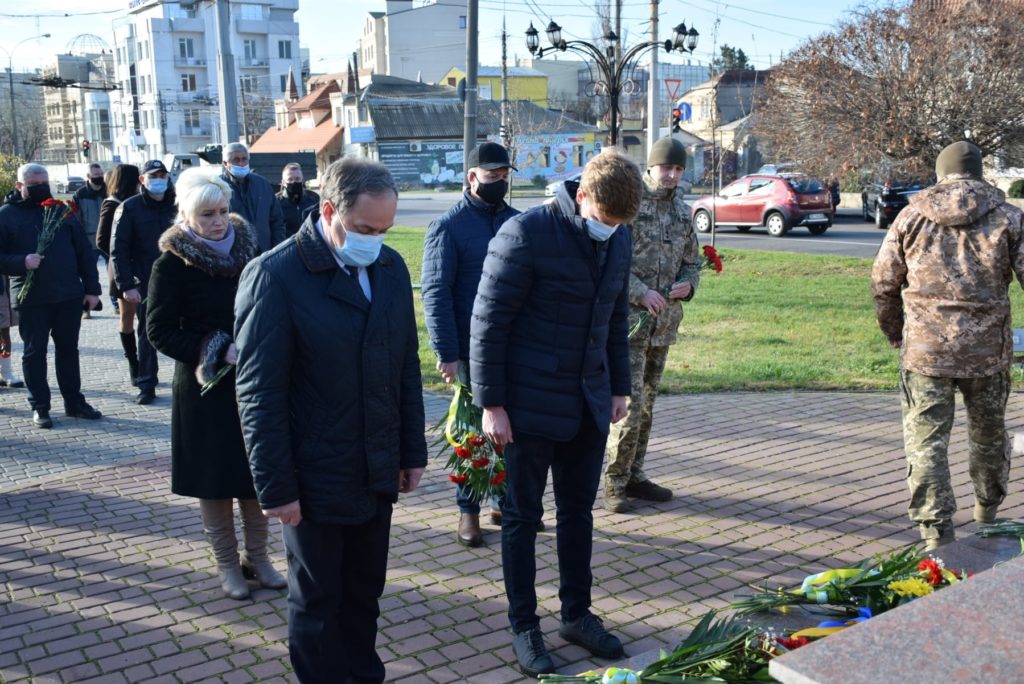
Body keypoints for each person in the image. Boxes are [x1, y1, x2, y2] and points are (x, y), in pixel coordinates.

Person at [235, 156, 427, 683]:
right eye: (365, 228)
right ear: (328, 210)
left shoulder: (389, 268)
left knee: (365, 591)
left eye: (386, 230)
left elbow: (405, 365)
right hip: (313, 474)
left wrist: (412, 452)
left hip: (376, 465)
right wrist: (276, 487)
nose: (376, 240)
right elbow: (258, 394)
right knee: (319, 600)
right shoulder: (275, 275)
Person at [469, 148, 641, 677]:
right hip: (525, 405)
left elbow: (612, 317)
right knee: (522, 518)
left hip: (587, 403)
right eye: (604, 220)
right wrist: (491, 403)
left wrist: (618, 386)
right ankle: (525, 624)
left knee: (578, 513)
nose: (610, 231)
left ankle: (576, 614)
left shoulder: (618, 237)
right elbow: (488, 322)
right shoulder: (526, 234)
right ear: (582, 195)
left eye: (619, 225)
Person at [871, 140, 1024, 551]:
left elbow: (884, 283)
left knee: (926, 443)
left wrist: (894, 331)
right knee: (989, 435)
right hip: (988, 354)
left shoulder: (910, 217)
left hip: (926, 351)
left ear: (940, 173)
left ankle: (936, 534)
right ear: (978, 172)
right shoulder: (1009, 217)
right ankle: (986, 512)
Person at [146, 168, 286, 600]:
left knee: (255, 469)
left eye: (223, 211)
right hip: (204, 385)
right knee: (214, 477)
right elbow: (159, 330)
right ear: (186, 215)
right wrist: (215, 347)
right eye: (207, 214)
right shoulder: (171, 262)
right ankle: (227, 563)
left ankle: (258, 558)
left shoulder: (249, 249)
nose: (219, 221)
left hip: (251, 380)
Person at [422, 141, 520, 547]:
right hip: (469, 349)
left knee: (510, 428)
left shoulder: (518, 221)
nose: (497, 181)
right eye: (490, 174)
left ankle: (502, 500)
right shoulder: (448, 226)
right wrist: (447, 351)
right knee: (472, 432)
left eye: (503, 175)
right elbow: (435, 292)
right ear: (472, 176)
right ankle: (468, 511)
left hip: (514, 345)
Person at [604, 137, 701, 513]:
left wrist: (690, 285)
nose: (673, 175)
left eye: (678, 169)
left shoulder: (682, 212)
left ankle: (635, 475)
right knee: (629, 406)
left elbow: (692, 262)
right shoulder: (630, 204)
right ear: (650, 167)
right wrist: (640, 292)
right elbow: (612, 261)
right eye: (666, 167)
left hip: (663, 325)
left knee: (648, 406)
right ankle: (613, 481)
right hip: (630, 324)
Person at [0, 163, 102, 428]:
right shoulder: (6, 215)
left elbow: (84, 253)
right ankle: (40, 406)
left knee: (68, 350)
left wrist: (92, 289)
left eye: (44, 183)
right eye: (34, 185)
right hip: (31, 296)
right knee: (35, 353)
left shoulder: (62, 211)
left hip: (68, 294)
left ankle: (74, 402)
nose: (41, 188)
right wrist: (21, 261)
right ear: (20, 186)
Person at [111, 159, 177, 405]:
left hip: (178, 279)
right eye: (153, 175)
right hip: (146, 280)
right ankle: (146, 383)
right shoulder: (130, 208)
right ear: (142, 180)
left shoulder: (178, 203)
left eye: (162, 175)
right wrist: (126, 285)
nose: (159, 179)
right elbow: (118, 249)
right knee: (147, 333)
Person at [97, 164, 141, 385]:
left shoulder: (140, 202)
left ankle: (146, 363)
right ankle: (133, 363)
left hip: (143, 269)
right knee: (127, 318)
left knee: (145, 318)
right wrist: (122, 256)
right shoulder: (112, 203)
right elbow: (102, 240)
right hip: (123, 269)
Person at [221, 142, 285, 251]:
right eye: (236, 160)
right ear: (225, 163)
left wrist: (277, 250)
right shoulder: (218, 187)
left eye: (244, 159)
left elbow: (277, 220)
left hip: (264, 252)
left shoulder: (263, 184)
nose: (241, 163)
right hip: (234, 254)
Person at [73, 163, 106, 319]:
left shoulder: (109, 191)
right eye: (96, 175)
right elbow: (76, 221)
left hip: (107, 241)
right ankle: (86, 308)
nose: (99, 177)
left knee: (115, 274)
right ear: (88, 177)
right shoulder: (80, 195)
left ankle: (118, 304)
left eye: (101, 174)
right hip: (89, 242)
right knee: (88, 276)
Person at [276, 162, 320, 238]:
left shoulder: (314, 198)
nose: (294, 182)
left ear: (302, 180)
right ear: (283, 182)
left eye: (297, 179)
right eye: (290, 179)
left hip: (310, 245)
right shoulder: (276, 202)